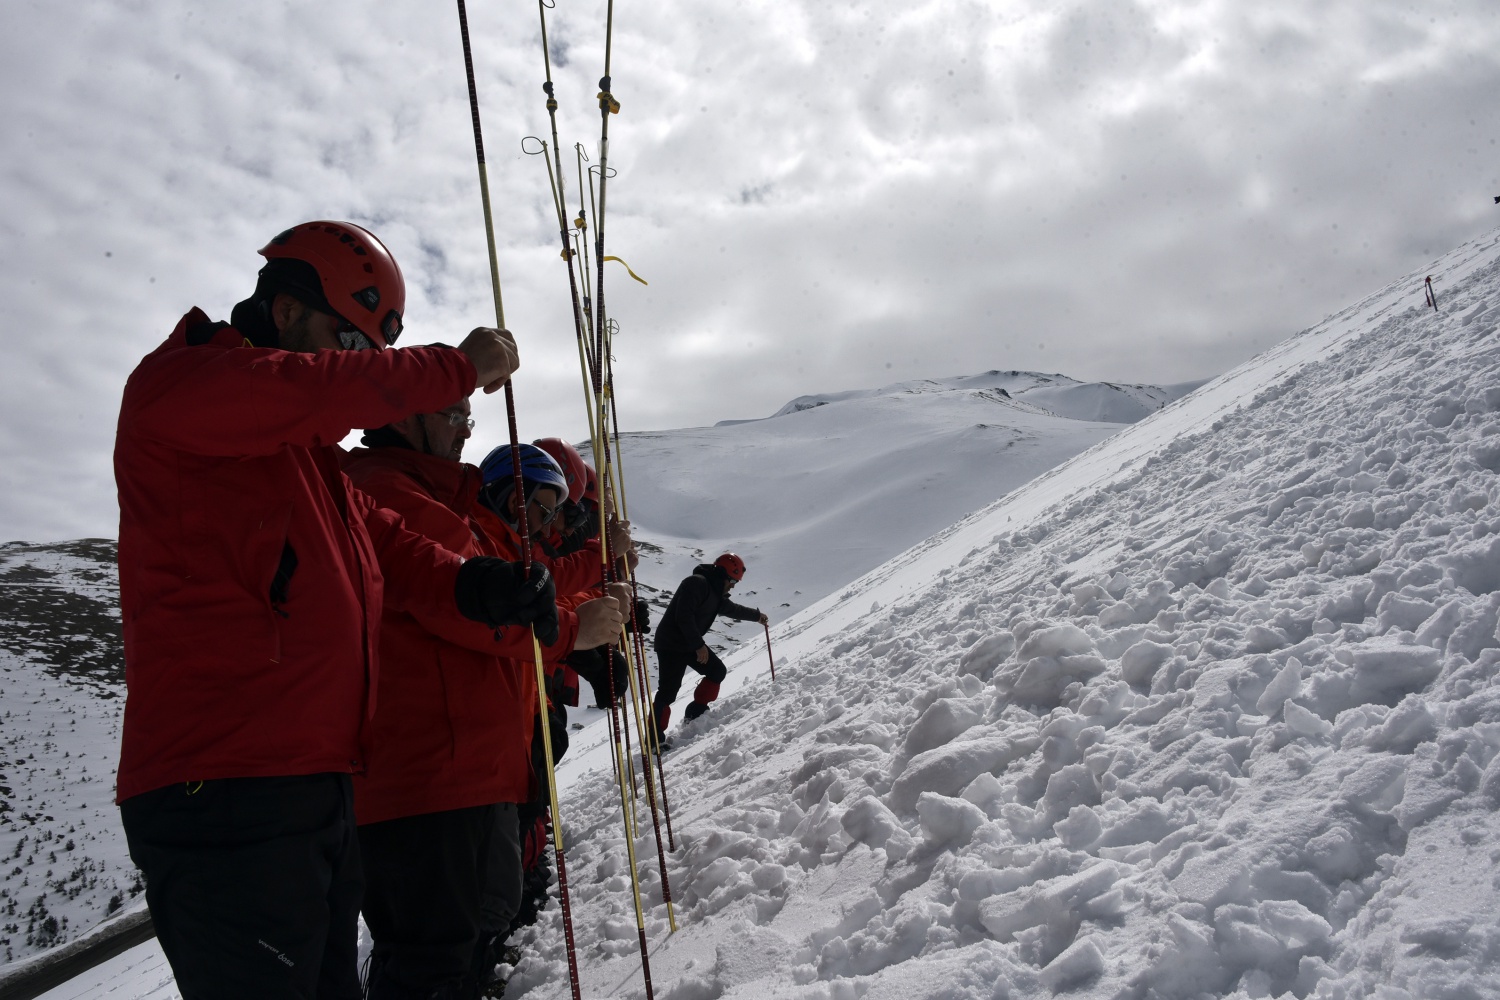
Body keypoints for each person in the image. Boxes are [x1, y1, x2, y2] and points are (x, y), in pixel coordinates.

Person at [113, 220, 555, 1000]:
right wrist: (452, 367)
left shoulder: (309, 459)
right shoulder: (183, 385)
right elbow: (314, 388)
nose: (357, 372)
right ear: (285, 314)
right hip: (224, 786)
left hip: (317, 783)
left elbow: (389, 545)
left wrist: (473, 585)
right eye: (350, 346)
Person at [342, 406, 624, 999]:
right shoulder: (400, 496)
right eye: (452, 413)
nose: (466, 429)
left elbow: (523, 586)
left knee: (464, 940)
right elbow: (481, 602)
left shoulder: (455, 510)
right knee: (431, 960)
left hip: (473, 763)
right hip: (429, 773)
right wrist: (576, 628)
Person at [651, 553, 768, 745]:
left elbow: (733, 609)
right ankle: (654, 739)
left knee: (716, 671)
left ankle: (695, 712)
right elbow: (684, 616)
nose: (733, 585)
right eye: (732, 580)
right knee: (668, 691)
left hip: (689, 643)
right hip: (671, 644)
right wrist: (699, 645)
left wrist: (757, 616)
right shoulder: (696, 583)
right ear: (723, 575)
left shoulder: (715, 593)